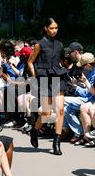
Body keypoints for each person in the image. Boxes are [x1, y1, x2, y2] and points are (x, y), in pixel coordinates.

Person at [27, 18, 67, 155]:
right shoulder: (39, 44)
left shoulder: (59, 44)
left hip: (57, 77)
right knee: (46, 113)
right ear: (46, 28)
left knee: (60, 110)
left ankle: (57, 143)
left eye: (56, 28)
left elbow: (61, 61)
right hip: (44, 78)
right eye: (51, 28)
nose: (54, 30)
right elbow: (30, 62)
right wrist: (34, 77)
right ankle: (35, 130)